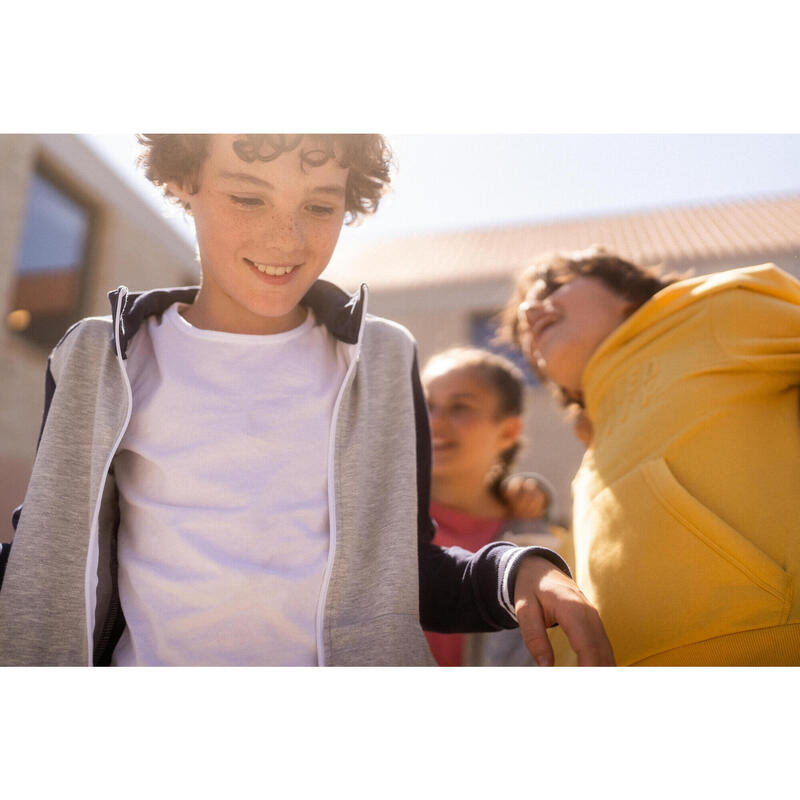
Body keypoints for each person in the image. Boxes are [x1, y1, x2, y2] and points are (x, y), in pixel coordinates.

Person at [0, 135, 614, 667]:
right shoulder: (97, 357)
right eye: (248, 197)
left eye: (320, 205)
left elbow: (408, 573)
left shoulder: (380, 358)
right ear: (184, 179)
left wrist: (519, 572)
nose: (286, 238)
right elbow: (44, 554)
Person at [500, 245, 800, 666]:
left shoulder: (710, 309)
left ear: (627, 292)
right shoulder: (590, 461)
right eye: (522, 332)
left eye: (555, 287)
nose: (531, 310)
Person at [421, 347, 577, 666]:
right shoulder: (380, 520)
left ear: (508, 431)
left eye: (460, 407)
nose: (434, 422)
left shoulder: (538, 540)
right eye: (425, 405)